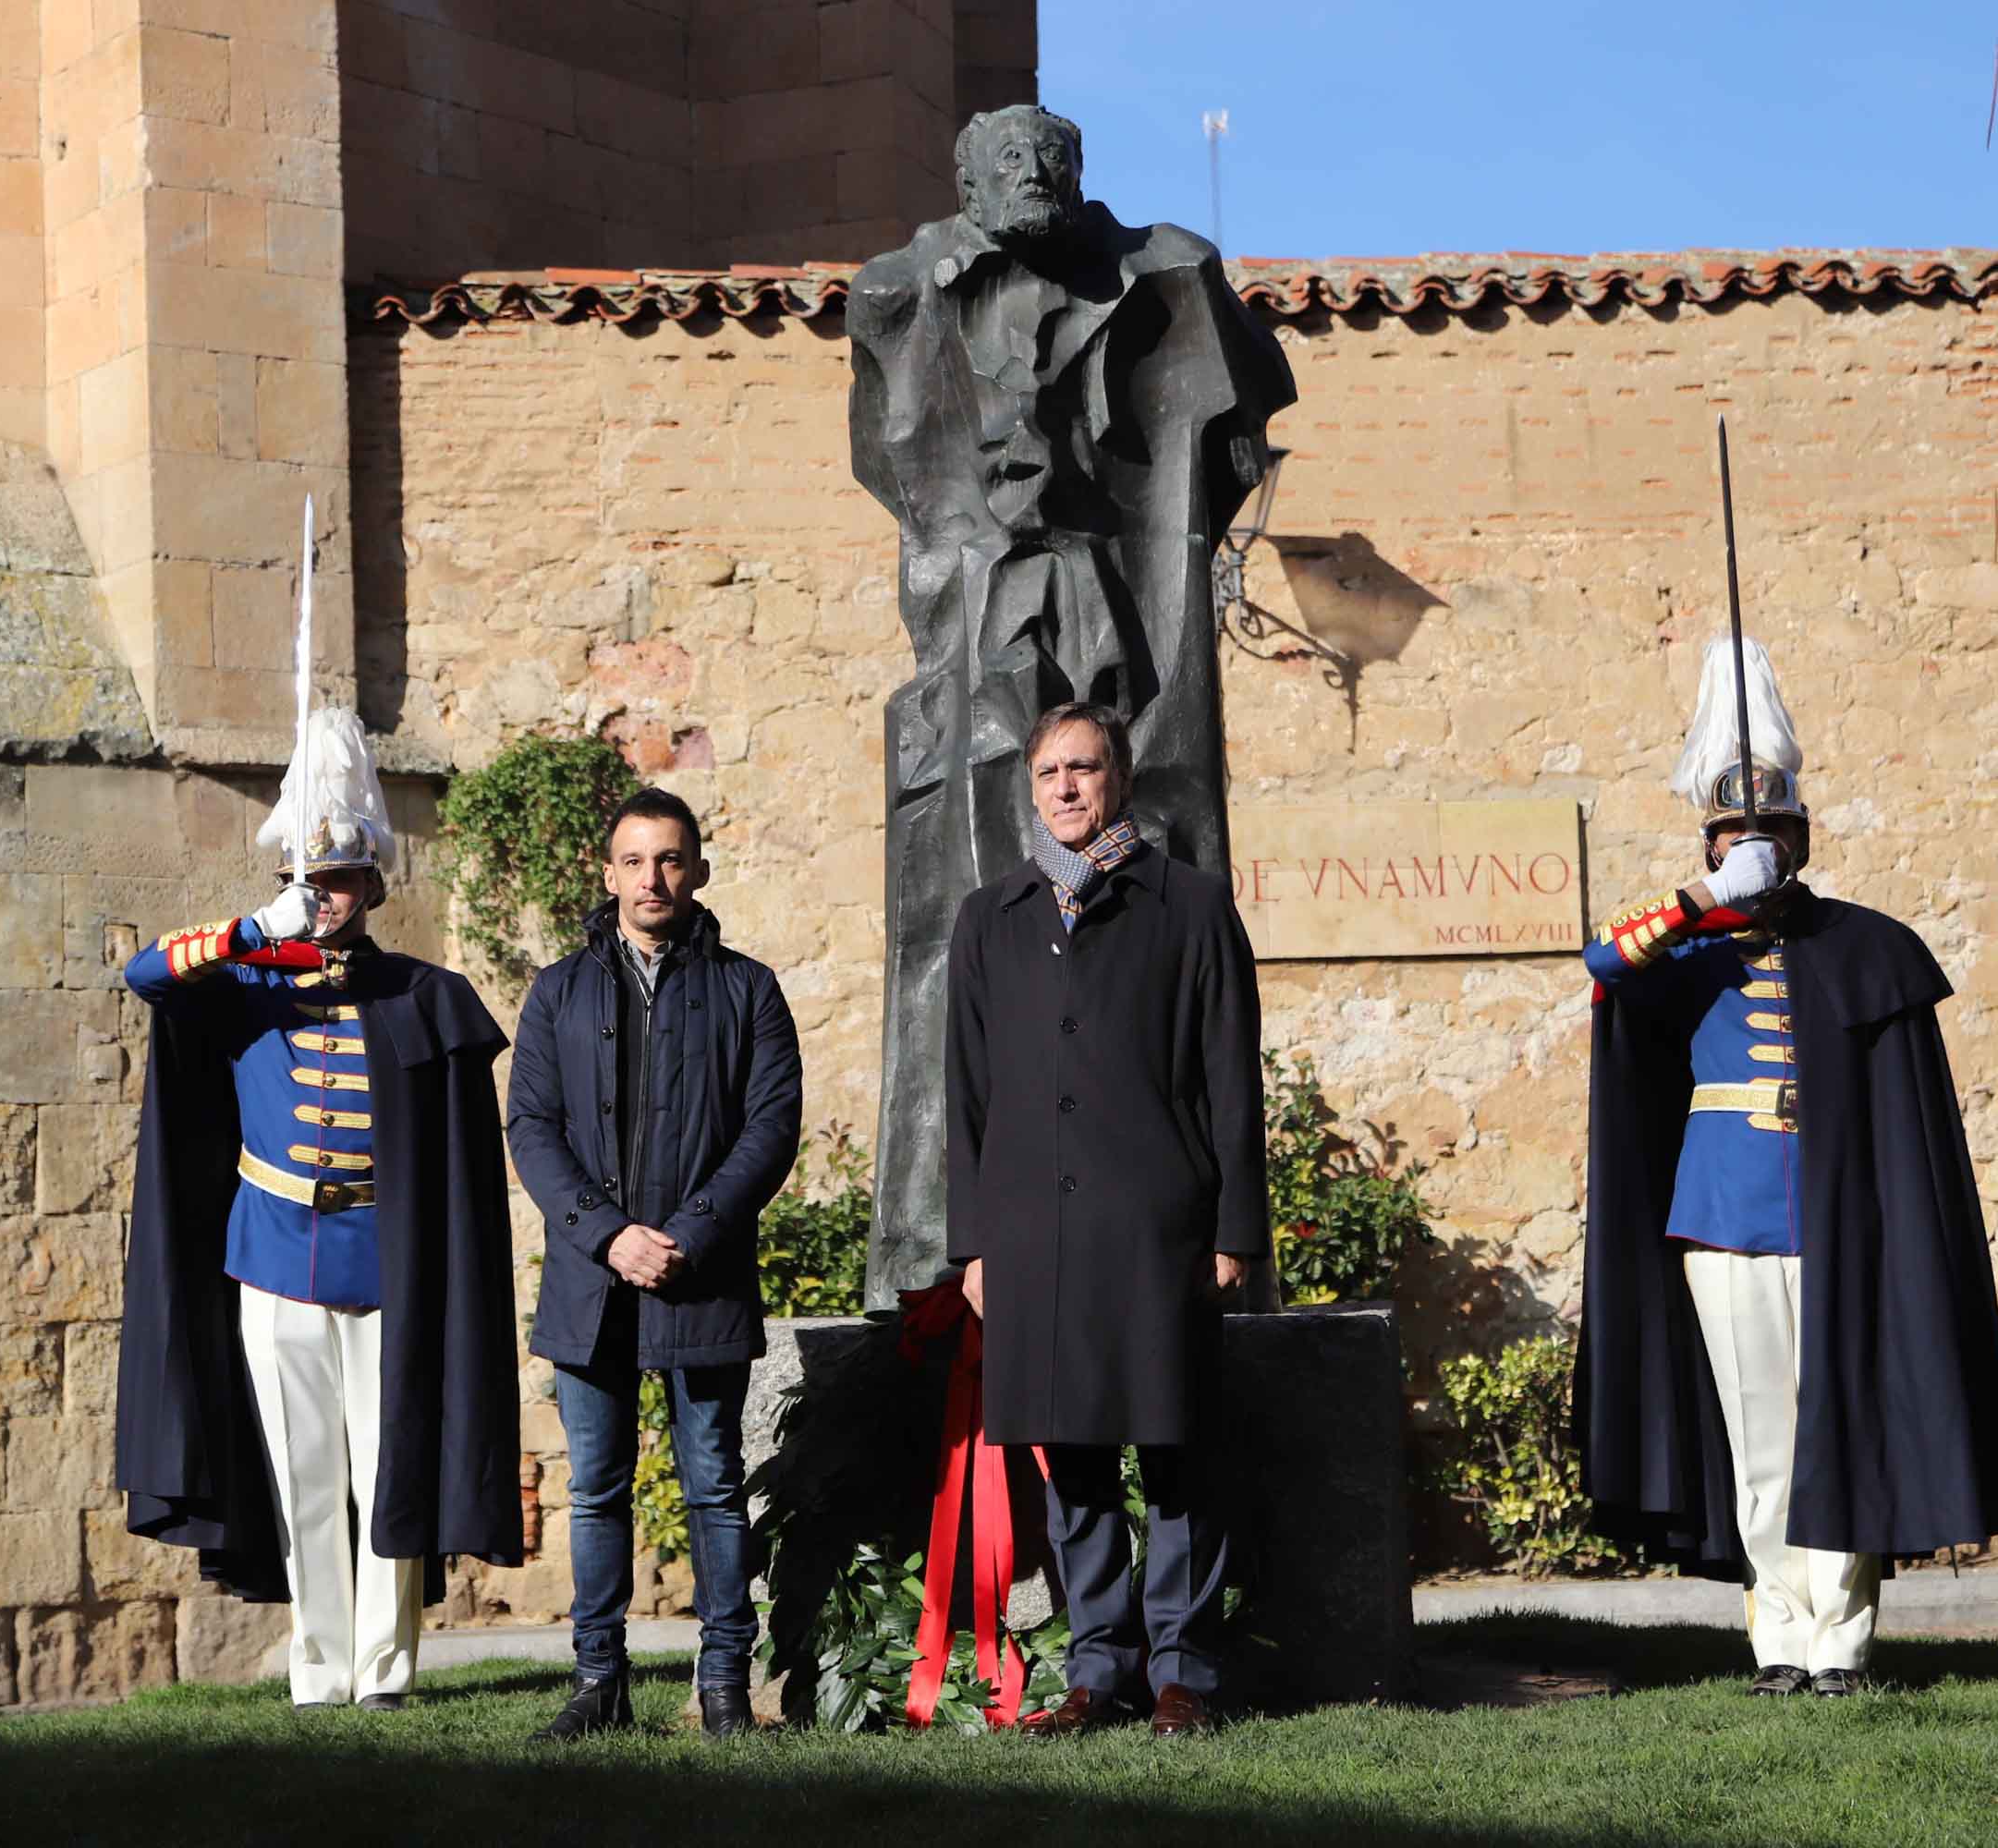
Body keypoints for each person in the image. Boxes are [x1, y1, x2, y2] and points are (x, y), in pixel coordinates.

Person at [847, 102, 1295, 1300]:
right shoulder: (909, 286)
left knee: (1144, 854)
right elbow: (892, 452)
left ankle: (1168, 1205)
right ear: (967, 182)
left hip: (1108, 587)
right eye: (1008, 163)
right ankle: (949, 1230)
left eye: (1050, 160)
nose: (1033, 175)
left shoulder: (1158, 269)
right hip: (985, 605)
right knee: (981, 882)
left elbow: (1239, 419)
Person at [1576, 639, 1998, 1696]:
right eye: (1736, 833)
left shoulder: (1865, 944)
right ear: (1715, 843)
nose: (1757, 846)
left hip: (1841, 1218)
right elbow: (1602, 959)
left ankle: (1843, 1643)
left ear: (1803, 840)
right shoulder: (1692, 948)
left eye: (1771, 831)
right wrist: (1699, 900)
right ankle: (1779, 1634)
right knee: (1764, 1438)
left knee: (1841, 1421)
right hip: (1725, 1214)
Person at [114, 707, 522, 1710]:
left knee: (387, 1464)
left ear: (375, 885)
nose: (327, 895)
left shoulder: (421, 991)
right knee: (303, 1471)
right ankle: (319, 1664)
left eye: (341, 878)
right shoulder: (245, 979)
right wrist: (259, 933)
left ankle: (384, 1668)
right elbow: (143, 974)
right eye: (309, 877)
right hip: (273, 1247)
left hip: (383, 1255)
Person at [945, 701, 1268, 1738]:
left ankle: (1182, 1669)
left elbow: (1231, 1080)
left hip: (1157, 1224)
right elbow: (967, 1095)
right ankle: (1099, 1668)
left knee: (1173, 1450)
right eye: (1049, 773)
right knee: (1070, 1454)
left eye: (1085, 768)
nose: (1068, 788)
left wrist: (1234, 1228)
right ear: (1030, 787)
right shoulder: (990, 916)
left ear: (1120, 778)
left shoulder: (1190, 905)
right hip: (1032, 1233)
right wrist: (975, 1241)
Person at [508, 788, 803, 1740]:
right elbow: (533, 1127)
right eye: (634, 860)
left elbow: (769, 1125)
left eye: (671, 859)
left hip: (699, 1274)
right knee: (595, 1485)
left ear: (699, 870)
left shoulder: (747, 988)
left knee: (714, 1482)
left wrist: (690, 1230)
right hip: (593, 1282)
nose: (652, 878)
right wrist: (608, 1233)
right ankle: (600, 1679)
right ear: (608, 873)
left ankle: (723, 1681)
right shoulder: (558, 991)